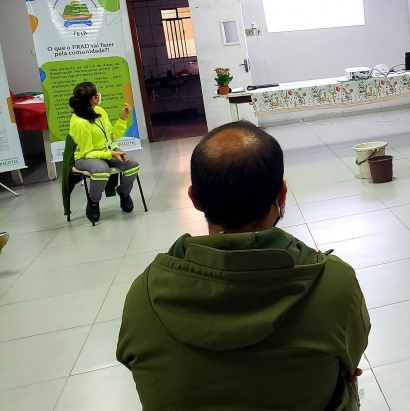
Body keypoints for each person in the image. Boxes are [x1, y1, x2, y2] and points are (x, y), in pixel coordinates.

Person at [117, 121, 370, 411]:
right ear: (282, 193)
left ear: (195, 199)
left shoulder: (143, 294)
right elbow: (351, 358)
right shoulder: (333, 283)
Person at [69, 81, 138, 223]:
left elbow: (112, 137)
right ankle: (93, 202)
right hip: (85, 157)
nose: (100, 94)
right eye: (98, 92)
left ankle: (124, 193)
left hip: (107, 151)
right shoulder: (79, 122)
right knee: (101, 169)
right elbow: (87, 152)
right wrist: (110, 154)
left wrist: (123, 118)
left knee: (132, 164)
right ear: (93, 98)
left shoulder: (100, 111)